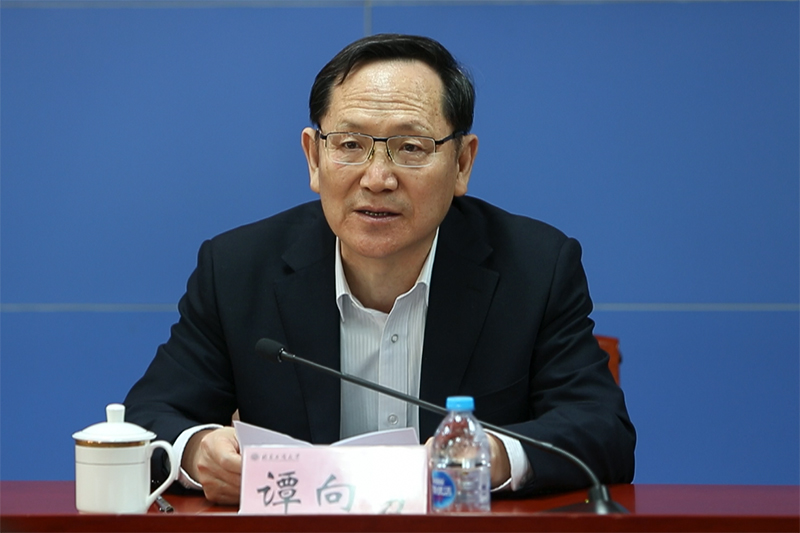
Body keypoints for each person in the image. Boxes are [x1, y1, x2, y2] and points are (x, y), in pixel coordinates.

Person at [124, 33, 636, 505]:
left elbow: (602, 431)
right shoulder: (237, 270)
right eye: (350, 145)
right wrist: (197, 450)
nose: (377, 178)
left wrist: (489, 456)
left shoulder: (534, 269)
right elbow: (147, 419)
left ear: (462, 164)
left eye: (410, 148)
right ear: (313, 158)